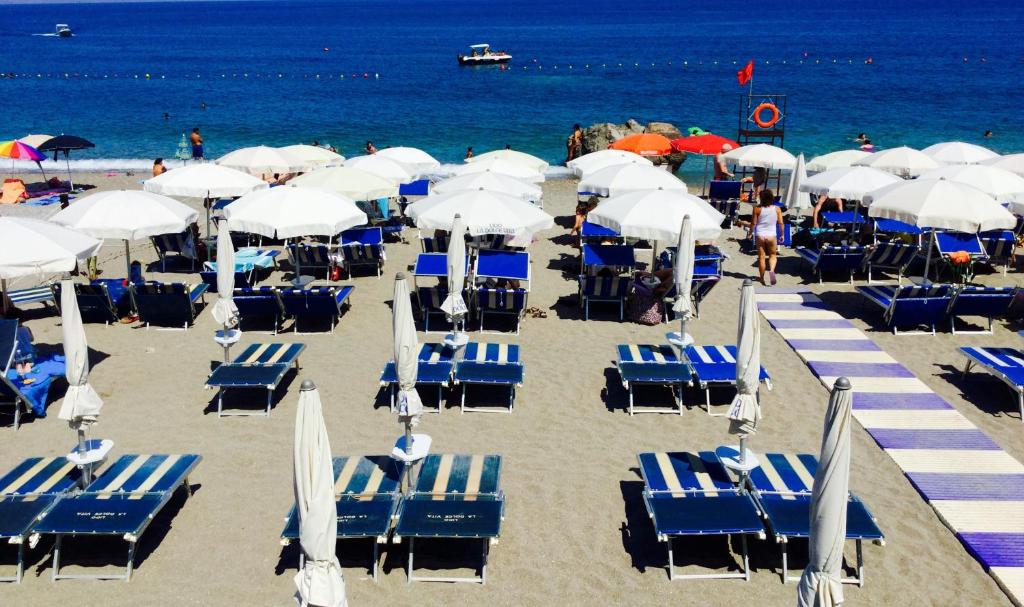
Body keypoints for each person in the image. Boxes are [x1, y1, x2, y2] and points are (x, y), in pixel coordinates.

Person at [749, 189, 783, 285]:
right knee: (772, 255)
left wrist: (750, 233)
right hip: (771, 235)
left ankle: (762, 278)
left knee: (761, 257)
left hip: (760, 235)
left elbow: (753, 223)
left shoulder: (757, 209)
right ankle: (771, 270)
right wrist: (782, 234)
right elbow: (781, 223)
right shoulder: (777, 209)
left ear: (761, 198)